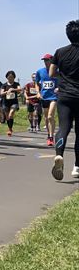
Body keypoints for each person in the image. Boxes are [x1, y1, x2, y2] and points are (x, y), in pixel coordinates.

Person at [50, 20, 79, 180]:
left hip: (64, 96)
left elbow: (52, 73)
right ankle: (77, 167)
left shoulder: (60, 52)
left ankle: (59, 155)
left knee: (63, 128)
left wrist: (63, 75)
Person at [36, 54, 59, 147]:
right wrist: (38, 92)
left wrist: (59, 88)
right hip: (44, 97)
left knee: (50, 116)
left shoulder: (57, 71)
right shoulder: (40, 71)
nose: (45, 62)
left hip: (54, 97)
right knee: (46, 118)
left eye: (47, 60)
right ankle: (49, 134)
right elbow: (36, 83)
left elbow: (63, 81)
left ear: (52, 60)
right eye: (44, 60)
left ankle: (51, 137)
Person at [0, 71, 21, 136]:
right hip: (5, 102)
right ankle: (10, 128)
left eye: (12, 77)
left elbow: (19, 89)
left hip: (14, 102)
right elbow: (1, 93)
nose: (10, 78)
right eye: (9, 77)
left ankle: (10, 129)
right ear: (7, 77)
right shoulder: (4, 85)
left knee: (11, 114)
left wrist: (12, 89)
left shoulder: (16, 84)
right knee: (7, 117)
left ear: (14, 77)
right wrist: (6, 92)